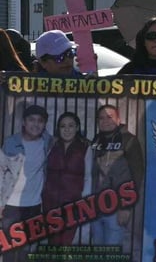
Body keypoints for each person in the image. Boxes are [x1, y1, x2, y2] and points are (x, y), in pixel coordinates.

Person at [1, 104, 53, 262]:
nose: (35, 124)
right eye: (31, 120)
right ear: (23, 122)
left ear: (44, 124)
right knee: (9, 248)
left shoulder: (47, 141)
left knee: (27, 249)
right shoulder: (11, 142)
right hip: (11, 205)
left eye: (40, 121)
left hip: (34, 205)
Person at [90, 105, 145, 249]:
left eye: (109, 117)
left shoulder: (129, 140)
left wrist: (126, 208)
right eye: (101, 118)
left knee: (111, 254)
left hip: (116, 208)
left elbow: (137, 175)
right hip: (95, 206)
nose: (105, 121)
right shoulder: (96, 140)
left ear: (118, 119)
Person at [42, 112, 92, 245]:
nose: (67, 129)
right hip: (50, 202)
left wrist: (84, 200)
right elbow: (43, 172)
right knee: (52, 241)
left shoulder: (85, 148)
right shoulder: (51, 145)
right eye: (63, 126)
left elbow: (88, 176)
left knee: (66, 242)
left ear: (77, 128)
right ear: (58, 129)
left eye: (71, 125)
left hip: (73, 203)